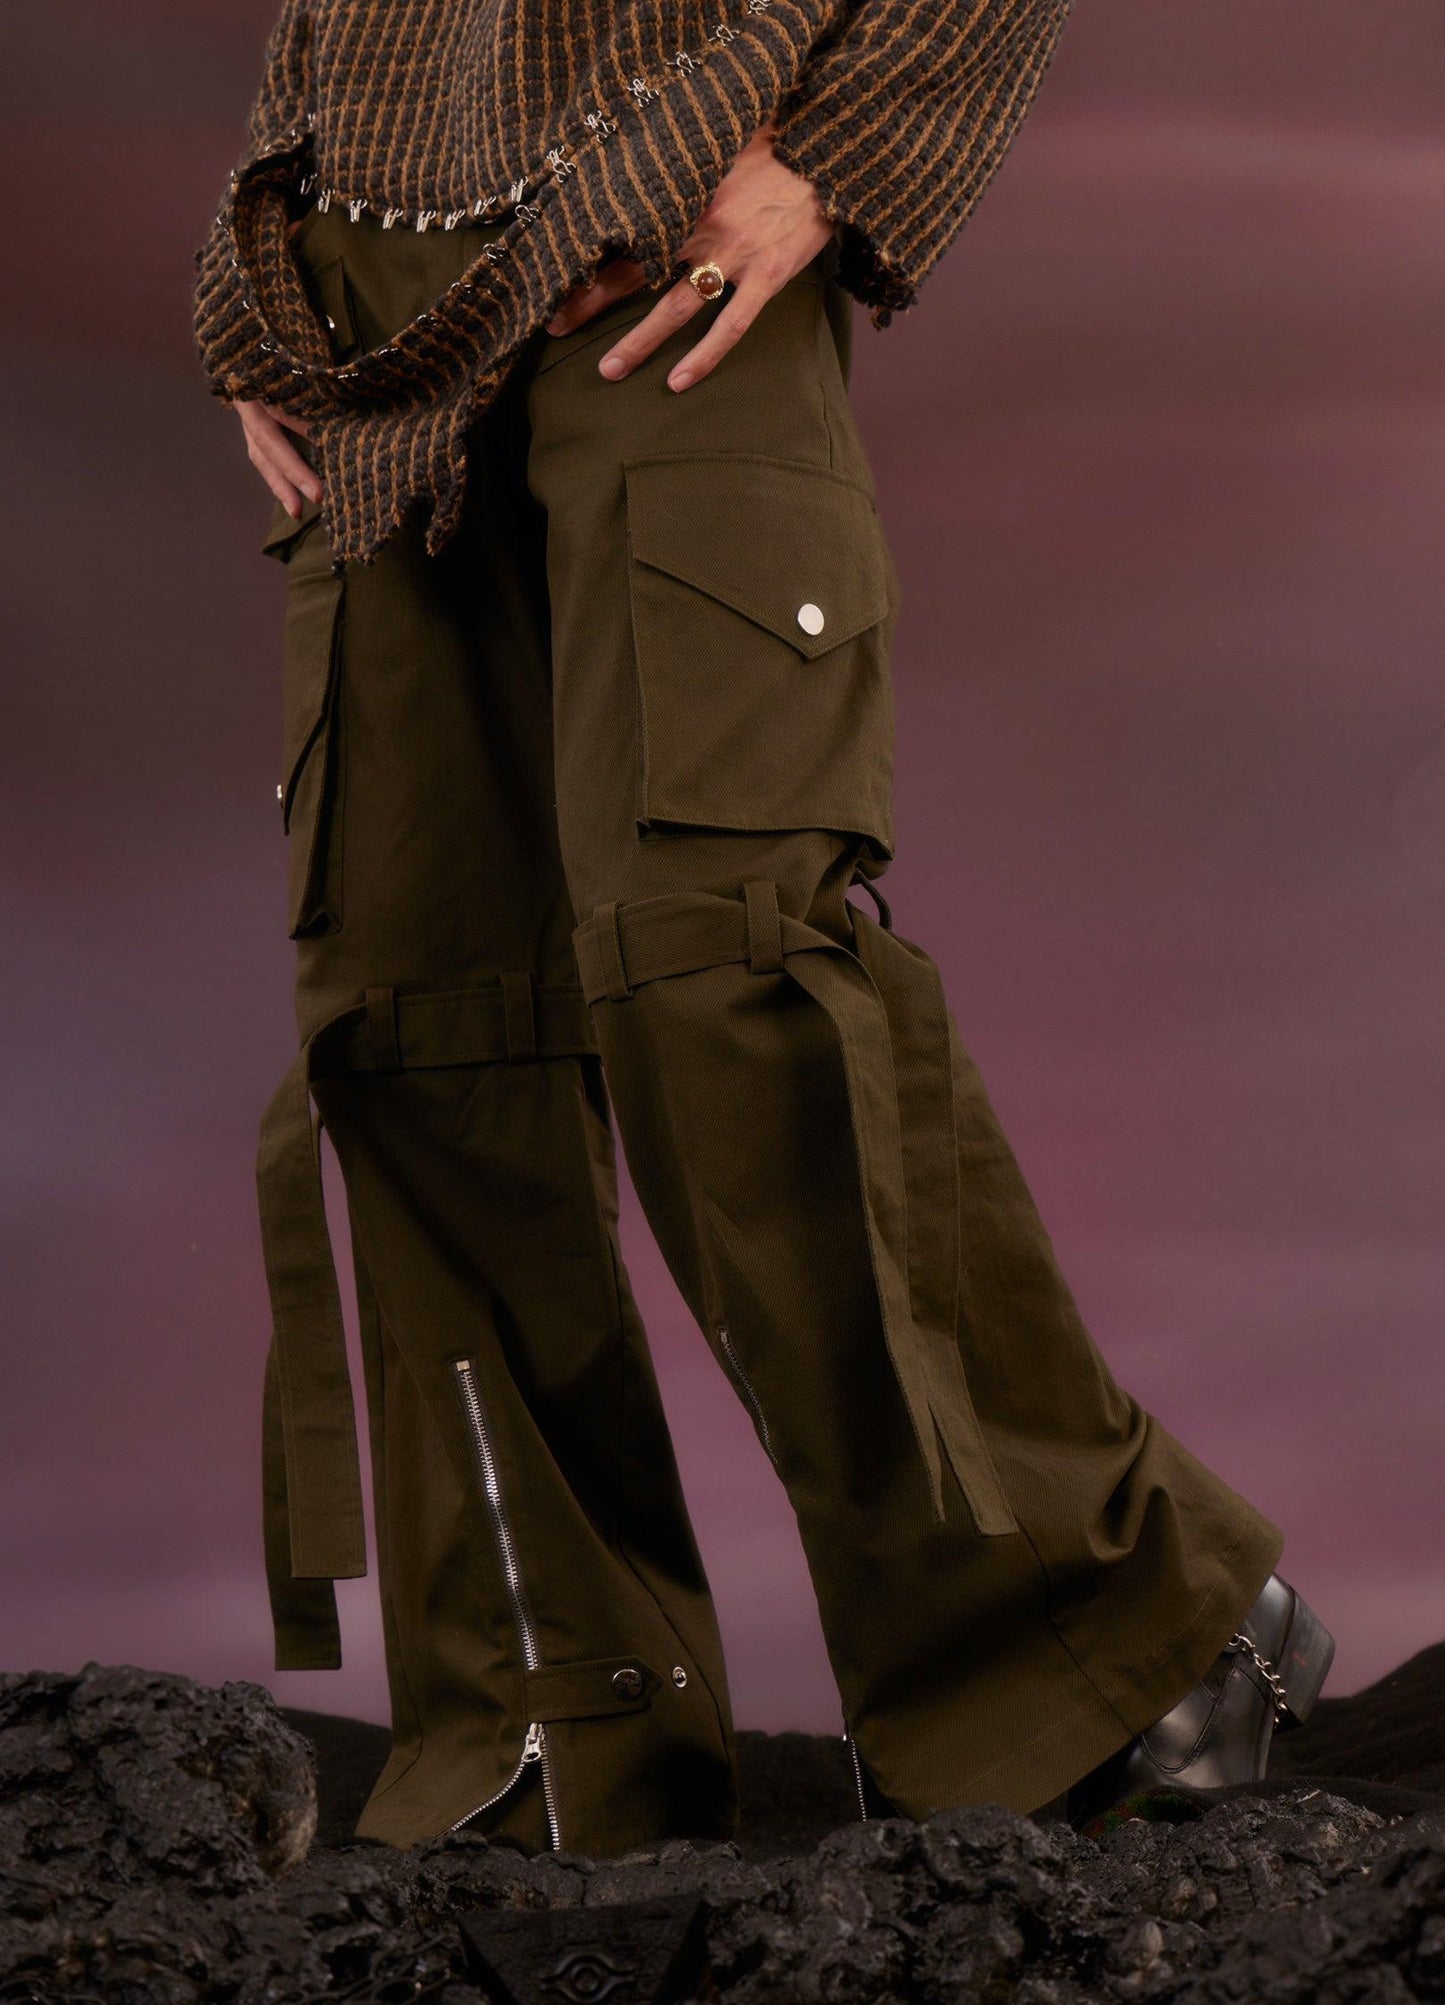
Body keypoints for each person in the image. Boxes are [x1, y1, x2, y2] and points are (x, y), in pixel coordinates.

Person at [193, 0, 1335, 1856]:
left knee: (716, 960)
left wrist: (835, 158)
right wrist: (260, 257)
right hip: (364, 317)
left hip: (662, 247)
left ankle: (1105, 1638)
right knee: (417, 1025)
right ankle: (559, 1723)